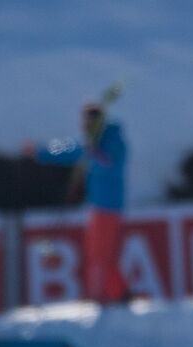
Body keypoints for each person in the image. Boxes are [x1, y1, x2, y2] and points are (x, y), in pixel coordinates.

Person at [27, 102, 129, 304]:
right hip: (97, 206)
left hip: (109, 207)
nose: (84, 126)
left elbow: (110, 165)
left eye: (88, 122)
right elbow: (67, 149)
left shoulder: (114, 141)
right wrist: (39, 151)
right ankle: (119, 294)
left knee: (100, 254)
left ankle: (99, 296)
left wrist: (94, 151)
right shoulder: (91, 143)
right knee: (98, 253)